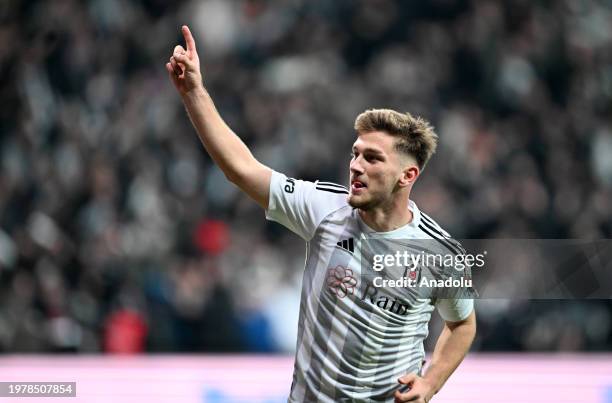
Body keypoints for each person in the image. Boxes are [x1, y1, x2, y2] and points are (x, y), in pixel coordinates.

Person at [166, 25, 476, 403]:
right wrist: (194, 92)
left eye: (373, 158)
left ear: (407, 176)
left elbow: (462, 323)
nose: (356, 166)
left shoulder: (440, 254)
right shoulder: (324, 209)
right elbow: (241, 169)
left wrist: (431, 382)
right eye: (355, 153)